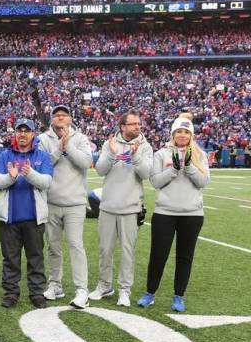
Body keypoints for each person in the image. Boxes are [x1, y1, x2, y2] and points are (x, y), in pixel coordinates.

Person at [138, 113, 210, 312]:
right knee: (158, 255)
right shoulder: (162, 154)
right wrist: (173, 170)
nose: (182, 135)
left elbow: (203, 182)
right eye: (179, 131)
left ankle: (179, 296)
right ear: (173, 133)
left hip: (192, 214)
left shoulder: (200, 154)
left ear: (191, 135)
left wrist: (188, 167)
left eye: (186, 132)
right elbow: (155, 181)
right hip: (165, 212)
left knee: (184, 257)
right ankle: (150, 293)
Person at [90, 109, 153, 307]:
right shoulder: (110, 143)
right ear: (123, 127)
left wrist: (134, 156)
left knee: (127, 252)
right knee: (104, 250)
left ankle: (124, 290)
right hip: (108, 205)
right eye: (133, 124)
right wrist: (111, 154)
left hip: (130, 206)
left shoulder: (145, 146)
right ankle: (104, 285)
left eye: (138, 124)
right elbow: (100, 170)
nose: (137, 127)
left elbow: (145, 173)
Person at [0, 119, 54, 309]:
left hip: (34, 217)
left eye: (27, 131)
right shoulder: (5, 155)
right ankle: (11, 292)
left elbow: (46, 182)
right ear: (15, 134)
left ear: (33, 134)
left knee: (35, 257)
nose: (23, 134)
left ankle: (36, 292)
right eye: (20, 131)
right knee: (10, 258)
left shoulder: (43, 156)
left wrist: (29, 174)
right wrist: (10, 177)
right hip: (10, 218)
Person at [37, 105, 93, 309]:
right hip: (51, 201)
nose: (60, 118)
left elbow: (86, 163)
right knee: (53, 246)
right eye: (57, 115)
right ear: (51, 120)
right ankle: (55, 285)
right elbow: (42, 164)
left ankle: (82, 290)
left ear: (70, 118)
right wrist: (58, 148)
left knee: (76, 246)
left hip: (75, 202)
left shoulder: (81, 138)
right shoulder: (43, 139)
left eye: (64, 115)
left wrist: (68, 146)